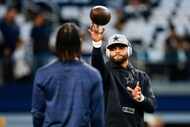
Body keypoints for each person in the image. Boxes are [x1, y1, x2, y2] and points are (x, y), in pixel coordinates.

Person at [31, 23, 105, 127]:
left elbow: (37, 114)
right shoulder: (93, 75)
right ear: (80, 43)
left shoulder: (43, 73)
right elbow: (97, 117)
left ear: (56, 44)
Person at [89, 24, 156, 127]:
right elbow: (97, 64)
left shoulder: (141, 76)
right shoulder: (105, 72)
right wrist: (97, 44)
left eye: (121, 47)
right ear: (107, 52)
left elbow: (152, 106)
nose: (117, 51)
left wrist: (140, 98)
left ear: (129, 50)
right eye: (113, 48)